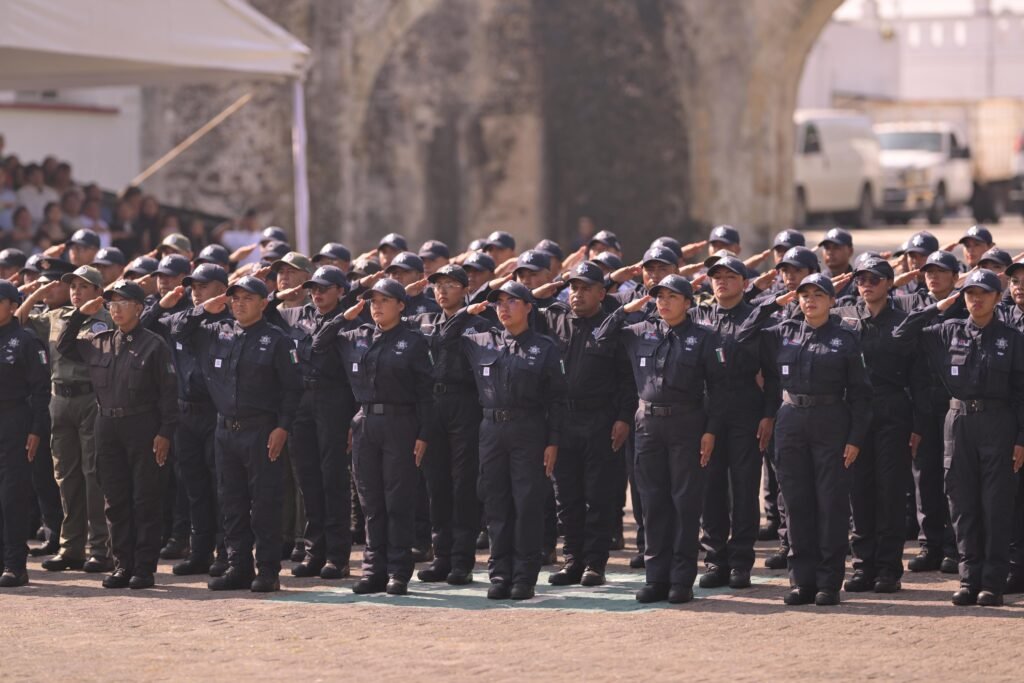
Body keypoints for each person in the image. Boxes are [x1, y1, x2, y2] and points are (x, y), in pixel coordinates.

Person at [737, 273, 872, 606]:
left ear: (831, 301)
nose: (810, 301)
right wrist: (773, 303)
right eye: (804, 295)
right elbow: (742, 335)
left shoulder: (846, 337)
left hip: (831, 420)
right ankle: (801, 581)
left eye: (818, 295)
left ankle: (828, 582)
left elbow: (861, 394)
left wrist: (855, 438)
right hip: (791, 420)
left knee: (830, 503)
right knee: (795, 503)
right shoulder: (783, 332)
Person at [893, 269, 1024, 607]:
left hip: (998, 424)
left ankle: (992, 583)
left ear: (997, 298)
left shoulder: (1012, 338)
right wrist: (939, 306)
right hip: (958, 422)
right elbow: (901, 335)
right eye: (969, 293)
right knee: (962, 505)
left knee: (995, 506)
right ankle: (968, 580)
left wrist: (1021, 438)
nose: (975, 299)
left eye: (983, 293)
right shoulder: (947, 331)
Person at [170, 275, 303, 593]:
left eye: (248, 298)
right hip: (225, 429)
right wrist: (204, 308)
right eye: (236, 298)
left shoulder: (277, 340)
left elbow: (292, 389)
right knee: (231, 502)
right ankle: (238, 567)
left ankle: (268, 571)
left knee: (265, 502)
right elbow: (177, 330)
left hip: (262, 429)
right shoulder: (217, 332)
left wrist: (283, 427)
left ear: (263, 303)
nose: (240, 304)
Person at [593, 274, 719, 604]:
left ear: (688, 303)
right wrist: (623, 311)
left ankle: (681, 579)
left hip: (686, 423)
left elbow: (719, 389)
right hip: (648, 424)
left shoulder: (704, 338)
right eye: (659, 296)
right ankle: (656, 577)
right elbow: (599, 338)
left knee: (684, 503)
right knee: (652, 502)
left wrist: (711, 430)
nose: (664, 302)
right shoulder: (640, 331)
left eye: (672, 296)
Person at [443, 280, 566, 600]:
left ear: (528, 308)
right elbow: (444, 338)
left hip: (529, 429)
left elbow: (557, 399)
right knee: (495, 504)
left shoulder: (544, 347)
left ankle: (524, 576)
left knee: (526, 503)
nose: (504, 308)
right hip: (491, 429)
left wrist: (553, 441)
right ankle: (500, 574)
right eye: (499, 302)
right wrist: (467, 312)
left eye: (512, 302)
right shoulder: (481, 340)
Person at [312, 277, 433, 596]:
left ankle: (397, 571)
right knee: (371, 502)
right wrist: (343, 317)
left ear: (401, 306)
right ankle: (373, 570)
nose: (377, 306)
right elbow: (318, 345)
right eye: (373, 301)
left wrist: (424, 433)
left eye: (384, 301)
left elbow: (426, 393)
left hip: (400, 422)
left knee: (397, 501)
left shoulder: (413, 341)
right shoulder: (357, 335)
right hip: (365, 423)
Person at [57, 280, 178, 589]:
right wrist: (80, 315)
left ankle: (144, 568)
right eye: (112, 303)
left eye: (123, 303)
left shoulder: (154, 345)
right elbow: (64, 346)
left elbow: (168, 393)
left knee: (145, 498)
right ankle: (122, 564)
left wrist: (165, 432)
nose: (116, 309)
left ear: (138, 308)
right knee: (114, 499)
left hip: (143, 425)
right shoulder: (100, 341)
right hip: (107, 425)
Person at [532, 262, 635, 588]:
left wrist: (623, 418)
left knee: (598, 496)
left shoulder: (614, 326)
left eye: (586, 288)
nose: (577, 294)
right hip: (563, 421)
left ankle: (594, 563)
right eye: (573, 288)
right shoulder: (554, 319)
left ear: (602, 293)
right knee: (566, 498)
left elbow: (627, 378)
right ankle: (572, 561)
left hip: (600, 420)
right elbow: (516, 308)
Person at [16, 264, 113, 575]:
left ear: (98, 291)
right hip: (59, 399)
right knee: (66, 476)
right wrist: (38, 294)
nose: (76, 292)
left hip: (90, 399)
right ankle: (70, 547)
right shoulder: (57, 316)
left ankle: (99, 548)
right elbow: (18, 320)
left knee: (93, 476)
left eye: (83, 286)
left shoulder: (105, 320)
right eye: (72, 287)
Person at [689, 256, 776, 590]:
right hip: (707, 410)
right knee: (710, 487)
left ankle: (741, 561)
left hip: (745, 409)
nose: (722, 281)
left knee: (743, 487)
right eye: (716, 276)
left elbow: (772, 374)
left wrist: (768, 414)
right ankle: (715, 559)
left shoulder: (757, 320)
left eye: (729, 276)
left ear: (744, 282)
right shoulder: (698, 317)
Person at [833, 257, 917, 594]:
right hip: (855, 412)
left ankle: (887, 569)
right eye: (861, 279)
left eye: (874, 279)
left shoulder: (903, 321)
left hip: (892, 410)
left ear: (889, 283)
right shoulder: (844, 316)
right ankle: (863, 566)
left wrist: (918, 424)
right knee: (859, 491)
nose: (866, 285)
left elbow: (920, 376)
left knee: (890, 492)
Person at [143, 263, 232, 578]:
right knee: (193, 486)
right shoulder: (180, 319)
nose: (196, 293)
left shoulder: (230, 323)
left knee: (221, 486)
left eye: (203, 286)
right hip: (185, 413)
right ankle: (200, 553)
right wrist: (161, 304)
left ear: (222, 289)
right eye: (193, 287)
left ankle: (226, 552)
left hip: (217, 412)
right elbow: (143, 329)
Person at [272, 264, 359, 580]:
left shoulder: (352, 322)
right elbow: (265, 310)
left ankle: (337, 556)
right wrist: (283, 294)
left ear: (341, 291)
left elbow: (357, 374)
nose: (317, 294)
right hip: (302, 401)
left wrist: (353, 419)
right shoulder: (300, 317)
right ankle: (314, 552)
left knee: (332, 479)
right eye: (313, 288)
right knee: (307, 479)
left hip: (334, 401)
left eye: (324, 288)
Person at [407, 264, 490, 585]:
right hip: (433, 405)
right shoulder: (426, 322)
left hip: (465, 404)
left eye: (450, 284)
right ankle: (441, 557)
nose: (441, 291)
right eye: (437, 285)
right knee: (435, 483)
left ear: (465, 289)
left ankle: (461, 561)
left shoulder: (478, 324)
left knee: (463, 484)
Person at [895, 250, 964, 574]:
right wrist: (933, 309)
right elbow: (900, 335)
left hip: (953, 405)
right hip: (922, 406)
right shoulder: (916, 307)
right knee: (924, 478)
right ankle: (930, 545)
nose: (933, 277)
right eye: (928, 272)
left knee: (953, 478)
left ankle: (953, 547)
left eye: (941, 271)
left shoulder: (966, 306)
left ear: (955, 276)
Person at [0, 280, 50, 587]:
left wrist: (36, 428)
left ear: (12, 305)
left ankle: (15, 565)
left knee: (12, 496)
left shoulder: (26, 340)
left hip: (15, 419)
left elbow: (41, 389)